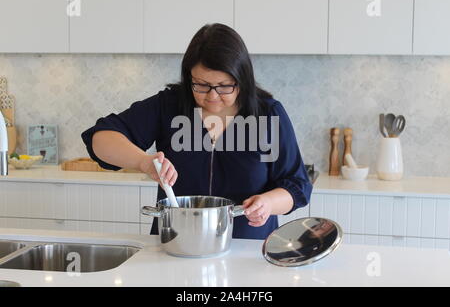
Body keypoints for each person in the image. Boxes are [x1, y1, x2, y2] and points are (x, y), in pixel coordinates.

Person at [81, 23, 312, 240]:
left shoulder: (267, 114)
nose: (212, 96)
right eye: (201, 85)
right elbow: (101, 138)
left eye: (224, 86)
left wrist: (268, 203)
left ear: (242, 79)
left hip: (246, 251)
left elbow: (297, 185)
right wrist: (143, 161)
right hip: (174, 246)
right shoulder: (169, 106)